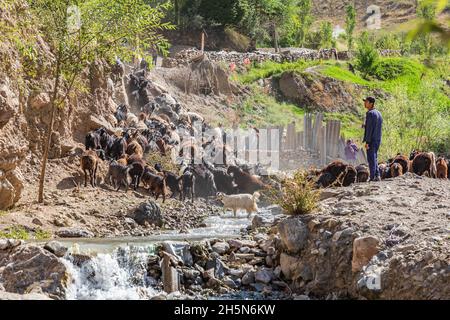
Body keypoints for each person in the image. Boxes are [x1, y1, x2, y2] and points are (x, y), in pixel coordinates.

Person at [362, 96, 383, 181]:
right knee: (375, 157)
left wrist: (367, 142)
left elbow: (370, 129)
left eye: (366, 102)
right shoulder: (379, 113)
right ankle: (377, 176)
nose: (364, 103)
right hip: (377, 139)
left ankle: (372, 177)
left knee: (371, 159)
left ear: (371, 103)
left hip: (371, 140)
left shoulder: (370, 113)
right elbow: (375, 127)